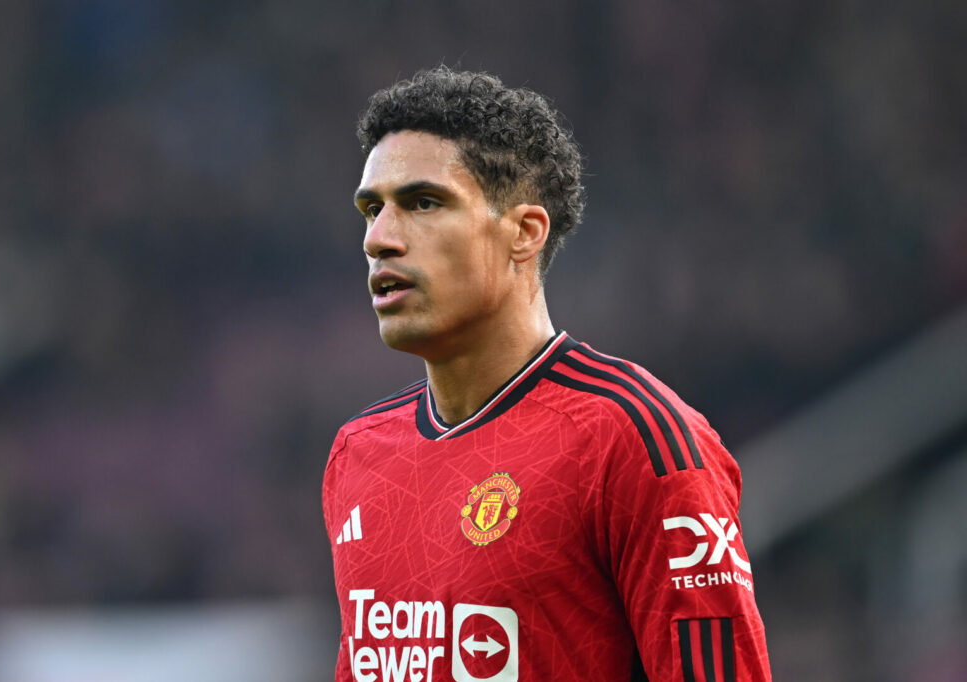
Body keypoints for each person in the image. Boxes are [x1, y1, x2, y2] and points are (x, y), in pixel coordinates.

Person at [323, 66, 772, 682]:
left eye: (424, 203)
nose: (379, 239)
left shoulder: (634, 439)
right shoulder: (358, 454)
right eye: (372, 209)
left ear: (524, 233)